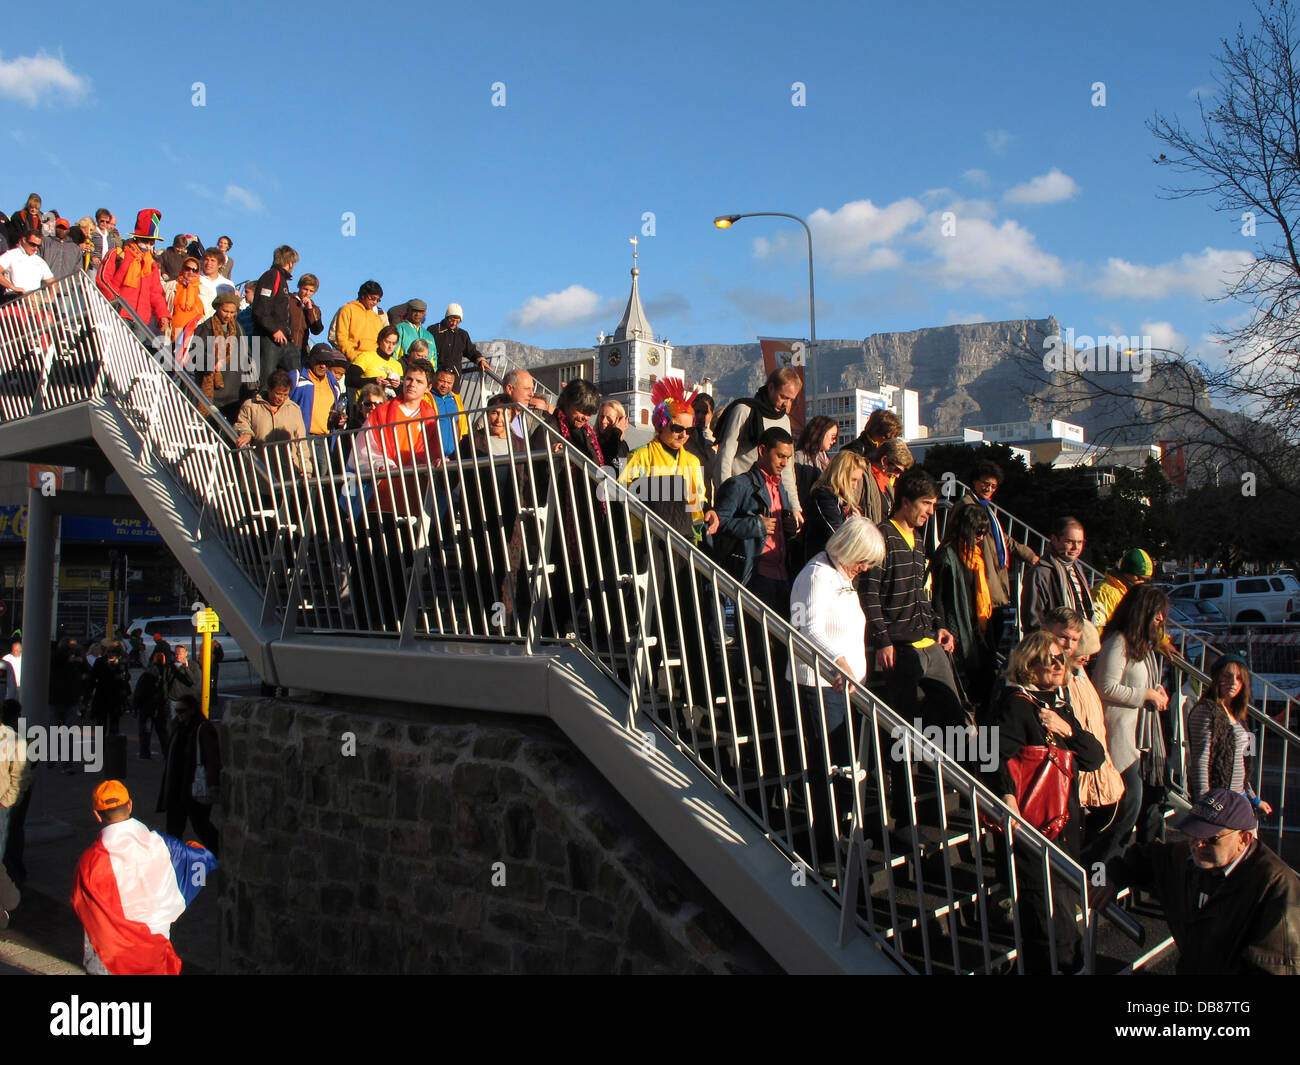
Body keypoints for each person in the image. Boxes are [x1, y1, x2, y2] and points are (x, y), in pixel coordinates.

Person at [986, 630, 1105, 974]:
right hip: (1035, 828)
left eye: (1061, 658)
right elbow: (992, 756)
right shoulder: (1017, 705)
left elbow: (1094, 757)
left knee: (1063, 911)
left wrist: (1066, 728)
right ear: (1029, 664)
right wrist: (1008, 798)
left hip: (1065, 824)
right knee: (1047, 922)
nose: (1057, 665)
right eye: (1049, 659)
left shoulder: (1058, 704)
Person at [861, 467, 964, 827]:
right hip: (900, 649)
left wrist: (940, 626)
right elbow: (870, 594)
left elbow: (923, 594)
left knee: (955, 725)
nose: (930, 511)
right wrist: (882, 639)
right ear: (904, 501)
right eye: (925, 503)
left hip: (929, 644)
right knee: (901, 732)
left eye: (934, 504)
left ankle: (953, 804)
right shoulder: (881, 537)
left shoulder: (920, 541)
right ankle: (904, 812)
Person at [1102, 788, 1300, 975]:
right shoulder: (1186, 858)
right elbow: (1139, 859)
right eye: (1193, 833)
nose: (1197, 844)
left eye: (1210, 838)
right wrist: (1105, 877)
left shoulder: (1277, 891)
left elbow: (1276, 968)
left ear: (1244, 839)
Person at [789, 516, 886, 867]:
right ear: (848, 550)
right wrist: (838, 661)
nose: (864, 568)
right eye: (863, 560)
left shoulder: (840, 576)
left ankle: (839, 836)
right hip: (820, 685)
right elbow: (804, 627)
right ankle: (824, 845)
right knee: (825, 767)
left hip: (842, 687)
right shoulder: (817, 576)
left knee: (841, 765)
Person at [619, 380, 721, 708]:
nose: (683, 436)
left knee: (689, 616)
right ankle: (640, 681)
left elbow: (697, 503)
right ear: (662, 423)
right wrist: (665, 491)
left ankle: (701, 690)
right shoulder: (640, 455)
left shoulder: (692, 462)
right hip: (646, 545)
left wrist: (708, 514)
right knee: (654, 615)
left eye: (688, 432)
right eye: (678, 428)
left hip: (683, 548)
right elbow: (618, 490)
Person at [70, 780, 188, 975]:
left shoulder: (91, 861)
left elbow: (79, 903)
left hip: (111, 955)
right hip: (155, 947)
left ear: (97, 815)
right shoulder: (161, 845)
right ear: (130, 805)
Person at [1044, 607, 1125, 868]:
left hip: (1090, 770)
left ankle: (1091, 885)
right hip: (1068, 778)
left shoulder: (1079, 678)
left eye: (1075, 641)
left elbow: (1091, 727)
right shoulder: (1053, 679)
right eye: (1064, 638)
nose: (1071, 647)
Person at [1095, 583, 1171, 858]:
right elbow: (1105, 686)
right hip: (1119, 739)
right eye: (1157, 614)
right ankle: (1100, 875)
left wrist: (1155, 692)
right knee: (1126, 811)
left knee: (1137, 809)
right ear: (1142, 613)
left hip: (1136, 740)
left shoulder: (1143, 646)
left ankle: (1112, 874)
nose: (1162, 620)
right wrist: (1146, 694)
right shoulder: (1118, 642)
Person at [528, 379, 605, 637]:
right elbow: (537, 473)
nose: (584, 417)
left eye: (589, 412)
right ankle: (555, 630)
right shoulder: (548, 427)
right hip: (559, 517)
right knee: (560, 577)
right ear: (567, 403)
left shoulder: (587, 433)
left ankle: (570, 627)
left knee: (583, 574)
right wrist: (556, 459)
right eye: (580, 410)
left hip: (585, 513)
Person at [948, 459, 1038, 647]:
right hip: (981, 581)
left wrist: (1031, 556)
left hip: (995, 582)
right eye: (985, 484)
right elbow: (955, 539)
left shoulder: (987, 507)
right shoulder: (966, 506)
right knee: (984, 643)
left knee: (994, 638)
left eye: (993, 486)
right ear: (975, 482)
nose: (989, 489)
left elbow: (1005, 540)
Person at [716, 367, 805, 527]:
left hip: (770, 498)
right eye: (783, 396)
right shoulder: (744, 410)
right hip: (741, 497)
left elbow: (787, 470)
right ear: (771, 387)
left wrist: (795, 507)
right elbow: (725, 456)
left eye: (791, 400)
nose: (786, 404)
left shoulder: (784, 420)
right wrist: (725, 496)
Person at [927, 503, 996, 705]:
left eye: (983, 533)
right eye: (977, 532)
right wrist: (942, 627)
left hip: (978, 630)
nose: (981, 538)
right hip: (957, 631)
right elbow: (937, 598)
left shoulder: (977, 558)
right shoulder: (946, 556)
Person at [1187, 653, 1273, 815]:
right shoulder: (1205, 711)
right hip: (1218, 801)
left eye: (1239, 678)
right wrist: (1205, 805)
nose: (1233, 682)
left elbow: (1243, 763)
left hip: (1239, 800)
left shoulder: (1238, 716)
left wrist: (1254, 799)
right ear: (1216, 678)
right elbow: (1200, 761)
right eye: (1227, 676)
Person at [158, 695, 221, 857]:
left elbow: (212, 757)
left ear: (192, 710)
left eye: (182, 711)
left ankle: (220, 852)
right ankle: (173, 856)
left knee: (201, 825)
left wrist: (212, 783)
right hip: (177, 785)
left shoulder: (202, 728)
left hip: (193, 785)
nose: (179, 714)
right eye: (177, 711)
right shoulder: (178, 727)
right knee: (174, 825)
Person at [97, 208, 172, 334]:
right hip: (118, 312)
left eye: (152, 241)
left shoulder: (152, 264)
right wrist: (116, 300)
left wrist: (162, 315)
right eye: (145, 240)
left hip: (141, 320)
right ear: (137, 238)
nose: (148, 244)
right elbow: (102, 278)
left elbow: (156, 293)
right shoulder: (119, 253)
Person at [233, 370, 313, 476]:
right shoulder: (251, 405)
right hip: (258, 471)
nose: (281, 398)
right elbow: (241, 424)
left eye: (285, 394)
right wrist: (246, 433)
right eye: (278, 394)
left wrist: (305, 467)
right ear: (269, 389)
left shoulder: (294, 409)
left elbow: (301, 441)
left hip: (286, 473)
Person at [1021, 516, 1093, 632]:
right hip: (1053, 643)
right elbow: (1033, 620)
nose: (1076, 547)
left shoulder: (1077, 569)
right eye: (1069, 541)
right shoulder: (1040, 573)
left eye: (1080, 542)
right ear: (1054, 540)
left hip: (1080, 641)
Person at [192, 291, 248, 422]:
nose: (229, 316)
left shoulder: (239, 329)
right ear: (217, 308)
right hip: (213, 391)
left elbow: (247, 354)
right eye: (225, 311)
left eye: (232, 312)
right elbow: (195, 354)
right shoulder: (204, 328)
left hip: (234, 391)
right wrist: (212, 362)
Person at [802, 448, 867, 561]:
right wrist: (856, 526)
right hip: (823, 563)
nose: (855, 486)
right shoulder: (824, 496)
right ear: (841, 474)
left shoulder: (842, 500)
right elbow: (837, 534)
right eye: (853, 480)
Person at [251, 245, 300, 387]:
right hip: (268, 339)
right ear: (290, 262)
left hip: (284, 339)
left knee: (295, 377)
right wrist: (273, 329)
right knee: (267, 381)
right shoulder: (271, 276)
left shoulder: (282, 280)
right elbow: (260, 309)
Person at [431, 302, 491, 392]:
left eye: (458, 321)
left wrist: (480, 360)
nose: (454, 323)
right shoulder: (434, 330)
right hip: (435, 378)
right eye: (452, 320)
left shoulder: (462, 335)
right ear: (447, 317)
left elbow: (471, 351)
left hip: (454, 382)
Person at [290, 344, 346, 437]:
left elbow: (334, 412)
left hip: (324, 440)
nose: (323, 366)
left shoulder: (333, 384)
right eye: (319, 361)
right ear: (310, 358)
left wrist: (339, 419)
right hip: (299, 438)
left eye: (327, 363)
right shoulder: (296, 376)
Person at [1092, 548, 1154, 629]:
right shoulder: (1102, 592)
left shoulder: (1136, 594)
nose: (1142, 582)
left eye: (1147, 579)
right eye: (1139, 578)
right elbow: (1097, 627)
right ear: (1126, 572)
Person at [859, 438, 913, 523]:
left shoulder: (887, 485)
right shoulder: (860, 477)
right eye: (897, 470)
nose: (898, 475)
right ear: (884, 461)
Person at [793, 414, 839, 511]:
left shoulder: (826, 459)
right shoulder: (799, 457)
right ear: (821, 433)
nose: (834, 441)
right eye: (833, 436)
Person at [334, 280, 386, 362]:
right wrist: (353, 356)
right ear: (363, 295)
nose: (375, 302)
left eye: (378, 300)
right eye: (372, 298)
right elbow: (341, 337)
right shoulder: (347, 309)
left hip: (373, 361)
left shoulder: (377, 318)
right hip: (353, 360)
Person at [133, 651, 169, 759]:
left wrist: (136, 706)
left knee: (145, 731)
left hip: (147, 707)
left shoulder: (148, 674)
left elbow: (139, 691)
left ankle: (145, 753)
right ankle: (166, 752)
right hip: (159, 706)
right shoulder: (167, 672)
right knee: (162, 731)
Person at [0, 228, 54, 298]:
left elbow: (52, 282)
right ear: (24, 240)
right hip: (14, 299)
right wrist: (12, 287)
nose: (35, 248)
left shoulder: (40, 261)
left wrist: (50, 298)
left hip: (34, 301)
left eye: (38, 246)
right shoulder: (11, 255)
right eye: (32, 244)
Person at [428, 368, 467, 457]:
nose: (445, 385)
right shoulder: (426, 398)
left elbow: (463, 426)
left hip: (454, 456)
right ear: (434, 379)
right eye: (441, 381)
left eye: (449, 383)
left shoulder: (455, 399)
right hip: (433, 457)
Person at [288, 272, 324, 361]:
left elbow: (317, 330)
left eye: (311, 291)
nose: (307, 293)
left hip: (301, 348)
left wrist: (310, 309)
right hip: (285, 344)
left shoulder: (315, 309)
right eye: (305, 289)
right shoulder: (289, 300)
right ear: (299, 286)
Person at [595, 399, 630, 476]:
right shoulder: (593, 441)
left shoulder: (622, 445)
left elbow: (618, 468)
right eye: (601, 417)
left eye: (609, 418)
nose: (603, 421)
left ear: (620, 420)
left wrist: (616, 433)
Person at [165, 644, 199, 713]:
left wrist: (186, 668)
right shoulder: (170, 666)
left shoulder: (193, 665)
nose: (178, 656)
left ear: (186, 654)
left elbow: (194, 681)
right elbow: (166, 681)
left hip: (187, 700)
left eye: (180, 654)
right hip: (174, 699)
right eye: (176, 654)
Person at [2, 638, 20, 704]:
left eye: (17, 650)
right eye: (14, 650)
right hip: (9, 685)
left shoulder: (25, 658)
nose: (15, 651)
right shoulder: (6, 659)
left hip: (21, 686)